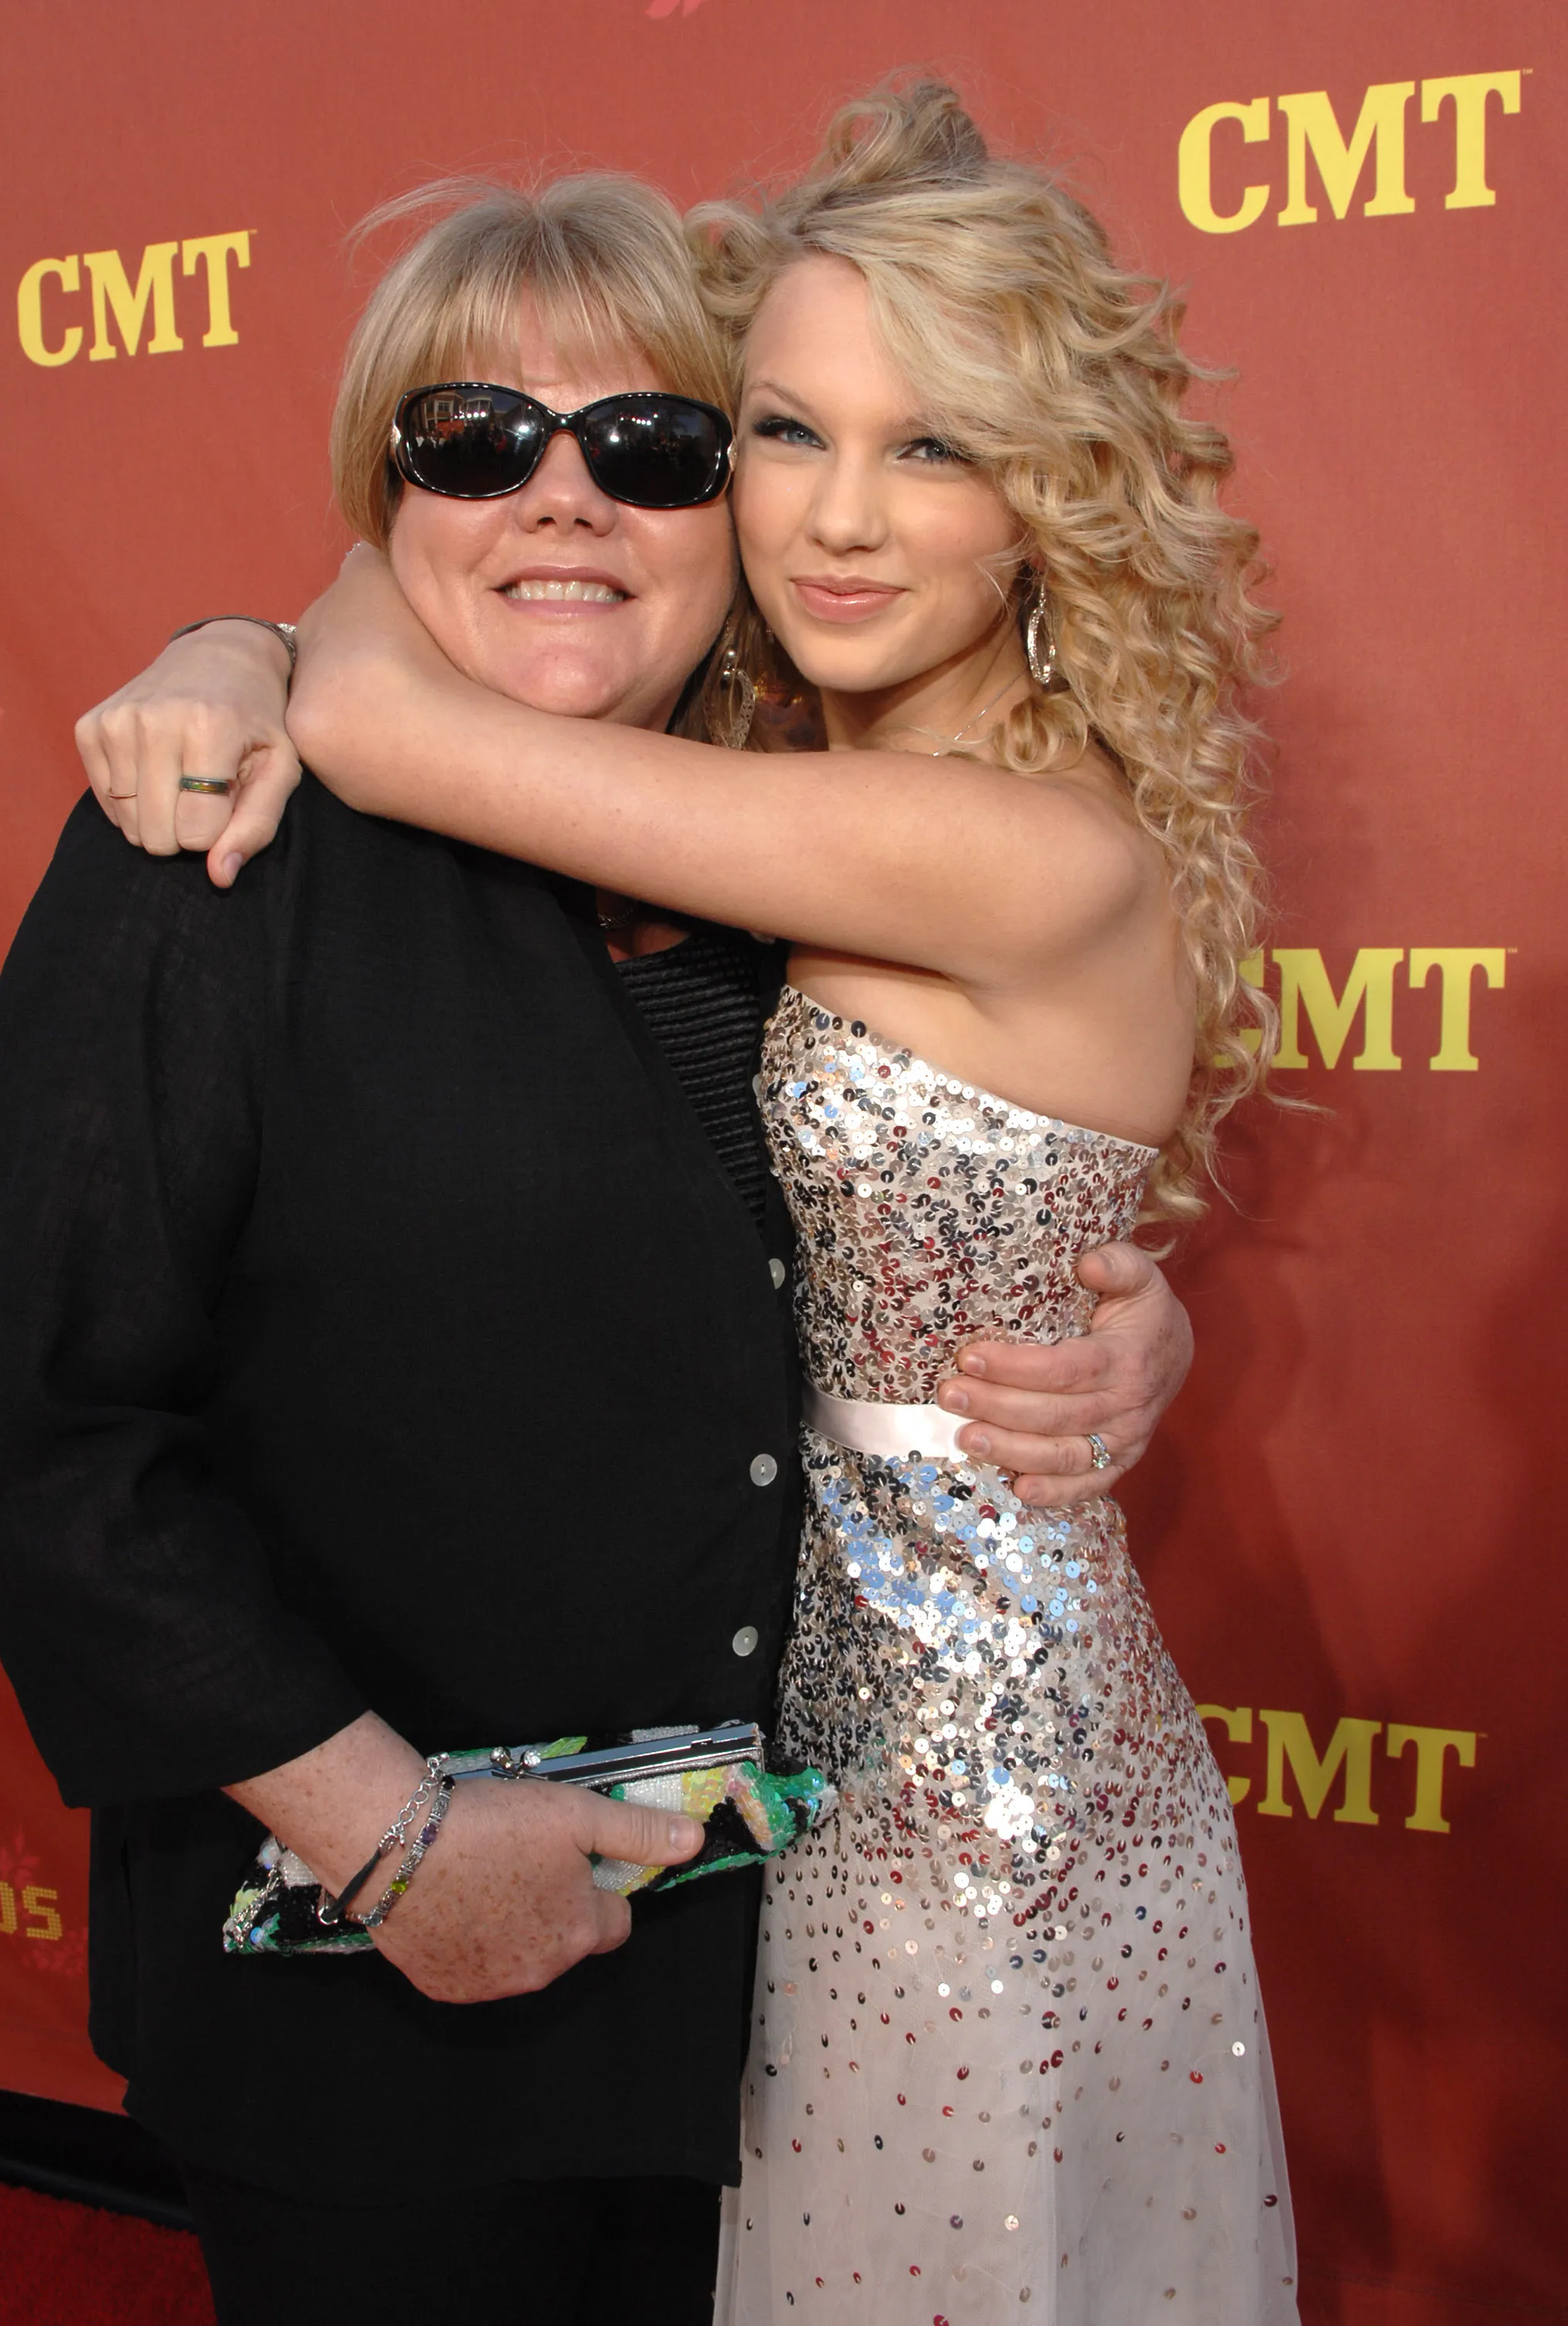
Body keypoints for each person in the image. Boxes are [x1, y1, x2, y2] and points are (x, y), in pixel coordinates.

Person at [78, 82, 1299, 2323]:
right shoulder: (735, 794)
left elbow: (402, 712)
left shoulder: (1005, 844)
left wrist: (273, 623)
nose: (837, 519)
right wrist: (231, 648)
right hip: (745, 1809)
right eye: (783, 432)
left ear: (1053, 503)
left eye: (933, 447)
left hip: (948, 1791)